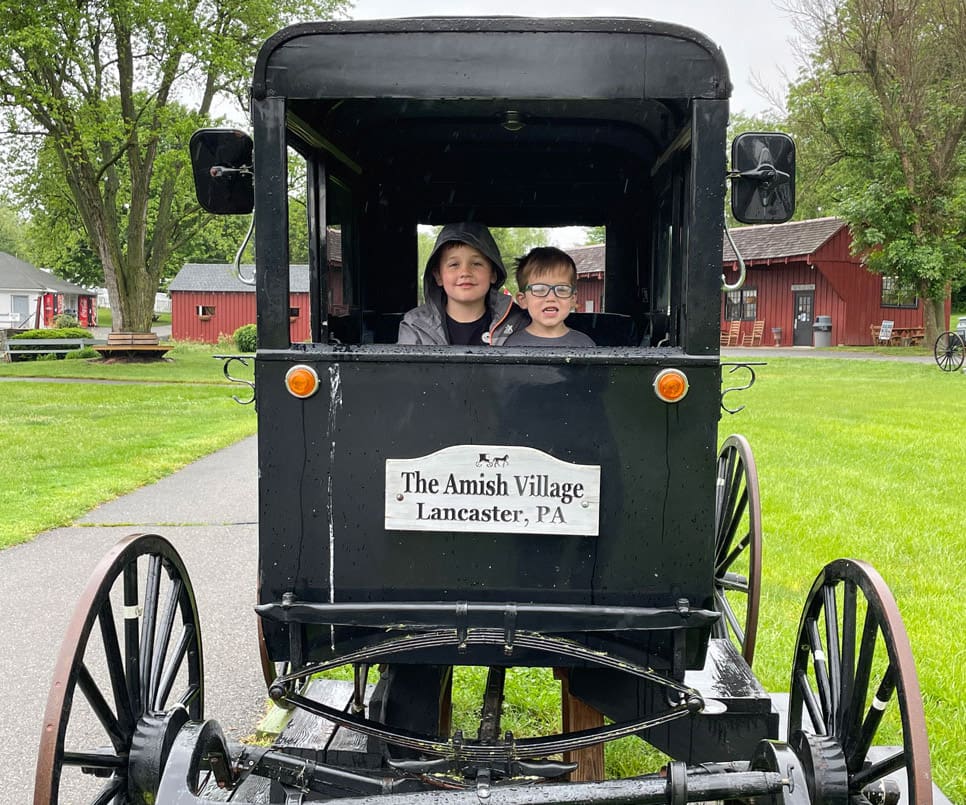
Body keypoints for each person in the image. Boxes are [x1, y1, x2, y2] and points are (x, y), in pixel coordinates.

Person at [397, 222, 526, 345]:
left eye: (476, 264)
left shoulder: (517, 321)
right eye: (454, 265)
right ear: (438, 276)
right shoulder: (416, 325)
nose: (465, 272)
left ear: (493, 274)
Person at [505, 246, 595, 346]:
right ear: (523, 300)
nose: (551, 298)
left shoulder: (585, 344)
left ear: (573, 299)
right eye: (539, 290)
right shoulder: (512, 345)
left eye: (561, 289)